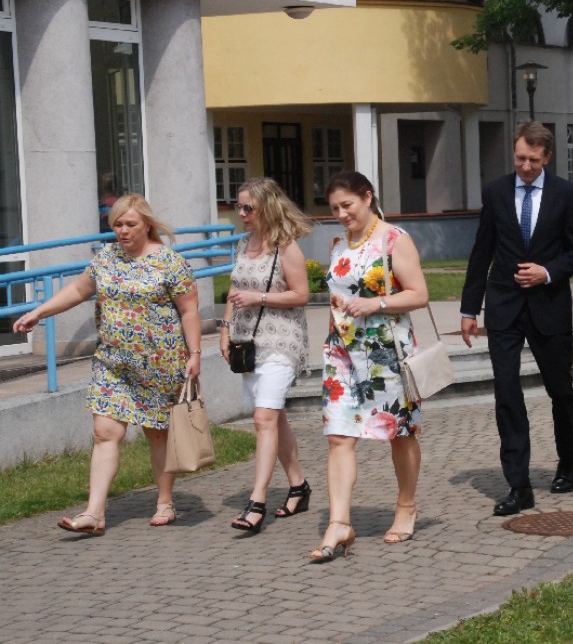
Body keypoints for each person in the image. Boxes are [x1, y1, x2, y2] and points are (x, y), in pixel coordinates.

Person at [13, 194, 201, 535]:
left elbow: (189, 311)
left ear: (147, 224)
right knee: (104, 433)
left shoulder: (171, 262)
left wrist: (195, 355)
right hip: (112, 363)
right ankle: (94, 514)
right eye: (117, 224)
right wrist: (39, 312)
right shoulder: (106, 257)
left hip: (159, 364)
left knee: (157, 434)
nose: (123, 231)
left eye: (130, 224)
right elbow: (78, 290)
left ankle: (165, 502)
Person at [460, 121, 573, 516]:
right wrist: (469, 308)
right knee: (507, 391)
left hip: (549, 306)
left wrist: (547, 272)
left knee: (560, 389)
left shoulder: (565, 194)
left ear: (547, 157)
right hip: (504, 307)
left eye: (533, 160)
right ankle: (518, 485)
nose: (526, 167)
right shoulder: (496, 192)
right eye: (519, 159)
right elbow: (482, 249)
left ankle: (568, 461)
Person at [312, 172, 429, 561]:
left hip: (385, 354)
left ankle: (406, 506)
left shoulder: (394, 239)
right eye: (334, 208)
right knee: (338, 437)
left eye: (347, 205)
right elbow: (337, 298)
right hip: (342, 354)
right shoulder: (337, 244)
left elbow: (419, 294)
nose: (341, 214)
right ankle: (339, 523)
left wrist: (375, 303)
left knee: (399, 433)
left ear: (367, 197)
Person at [221, 177, 312, 534]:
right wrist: (226, 329)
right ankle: (299, 486)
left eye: (249, 207)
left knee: (263, 418)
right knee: (275, 416)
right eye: (239, 206)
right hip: (249, 342)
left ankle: (256, 501)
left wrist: (259, 298)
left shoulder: (285, 247)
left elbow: (301, 295)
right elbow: (234, 290)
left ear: (268, 208)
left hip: (282, 341)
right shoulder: (244, 243)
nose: (241, 213)